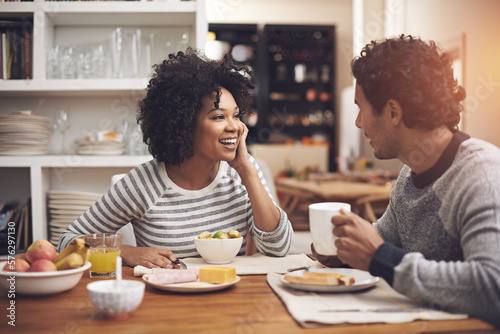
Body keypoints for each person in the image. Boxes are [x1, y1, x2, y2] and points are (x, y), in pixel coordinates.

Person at [314, 35, 500, 327]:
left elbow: (492, 288)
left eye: (360, 108)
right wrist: (344, 252)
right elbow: (384, 238)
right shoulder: (409, 175)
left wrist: (380, 258)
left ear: (393, 112)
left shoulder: (483, 173)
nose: (358, 122)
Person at [58, 49, 293, 269]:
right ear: (185, 123)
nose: (234, 127)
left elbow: (279, 248)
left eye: (236, 115)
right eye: (219, 116)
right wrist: (125, 252)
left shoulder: (242, 174)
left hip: (230, 301)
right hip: (166, 304)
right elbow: (67, 242)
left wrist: (247, 170)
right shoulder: (143, 183)